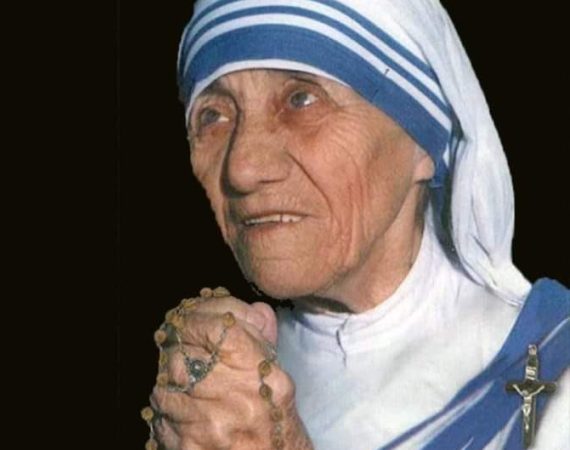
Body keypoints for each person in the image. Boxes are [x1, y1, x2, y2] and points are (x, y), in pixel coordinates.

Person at [142, 0, 570, 448]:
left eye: (301, 100)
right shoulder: (221, 380)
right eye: (212, 115)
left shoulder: (551, 368)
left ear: (424, 145)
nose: (242, 169)